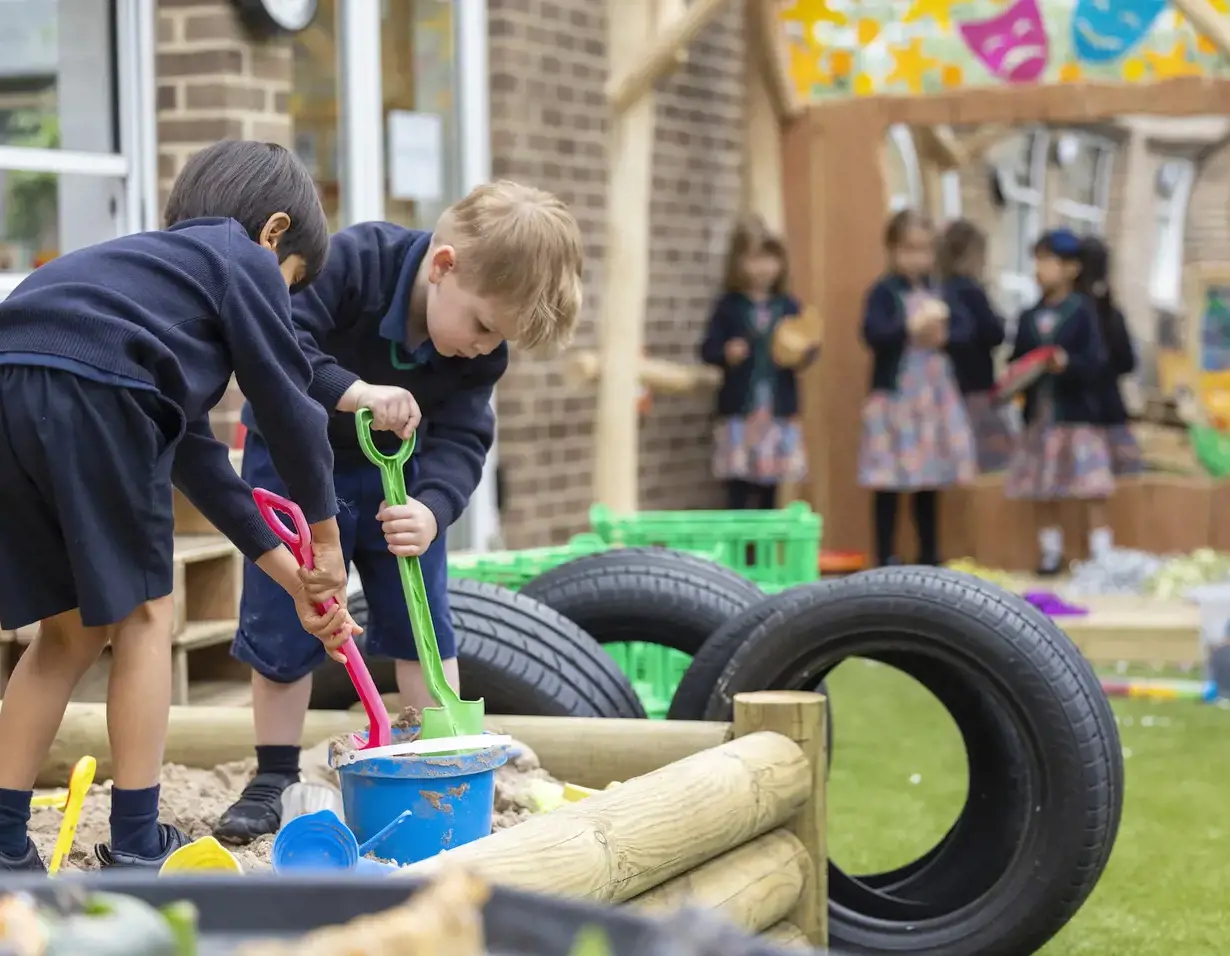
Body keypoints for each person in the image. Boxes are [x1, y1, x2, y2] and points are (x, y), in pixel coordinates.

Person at [0, 141, 362, 871]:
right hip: (100, 393)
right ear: (275, 233)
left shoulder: (146, 286)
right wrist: (325, 542)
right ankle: (137, 841)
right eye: (290, 288)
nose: (280, 304)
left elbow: (201, 463)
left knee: (67, 633)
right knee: (144, 615)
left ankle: (4, 840)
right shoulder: (244, 258)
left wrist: (296, 582)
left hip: (12, 383)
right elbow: (290, 408)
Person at [213, 181, 584, 844]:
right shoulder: (355, 261)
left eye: (497, 339)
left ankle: (439, 757)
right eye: (482, 327)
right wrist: (355, 392)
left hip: (397, 483)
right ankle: (272, 774)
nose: (482, 347)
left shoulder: (478, 351)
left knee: (423, 618)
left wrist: (434, 509)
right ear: (443, 267)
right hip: (295, 464)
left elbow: (465, 436)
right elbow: (281, 344)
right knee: (288, 618)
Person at [857, 210, 976, 567]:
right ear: (892, 250)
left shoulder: (939, 290)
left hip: (932, 397)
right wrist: (908, 327)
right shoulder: (883, 291)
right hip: (896, 398)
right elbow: (872, 333)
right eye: (908, 250)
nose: (916, 259)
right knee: (889, 480)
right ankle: (886, 554)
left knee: (929, 480)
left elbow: (968, 330)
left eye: (924, 250)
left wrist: (945, 335)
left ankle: (929, 553)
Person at [1005, 228, 1114, 574]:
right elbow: (1017, 358)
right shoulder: (1027, 316)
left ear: (1071, 268)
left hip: (1076, 413)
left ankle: (1100, 553)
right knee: (1043, 487)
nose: (1039, 269)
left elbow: (1097, 361)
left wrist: (1068, 363)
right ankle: (1050, 552)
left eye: (1048, 260)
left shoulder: (1083, 311)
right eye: (1036, 260)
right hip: (1040, 414)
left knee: (1088, 486)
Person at [699, 218, 814, 511]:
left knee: (770, 490)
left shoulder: (788, 306)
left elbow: (808, 348)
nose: (763, 267)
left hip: (776, 413)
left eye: (769, 258)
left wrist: (799, 352)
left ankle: (762, 553)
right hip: (741, 413)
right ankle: (740, 553)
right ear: (738, 263)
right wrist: (726, 352)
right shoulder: (729, 306)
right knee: (738, 490)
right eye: (753, 258)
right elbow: (707, 349)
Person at [1079, 235, 1144, 548]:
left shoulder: (1076, 311)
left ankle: (1101, 547)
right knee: (1107, 482)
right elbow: (1127, 361)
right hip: (1104, 406)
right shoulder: (1107, 313)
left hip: (1084, 408)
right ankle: (1105, 545)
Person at [937, 219, 1014, 473]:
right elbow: (992, 332)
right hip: (976, 387)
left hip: (946, 387)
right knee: (993, 461)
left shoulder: (938, 289)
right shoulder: (971, 290)